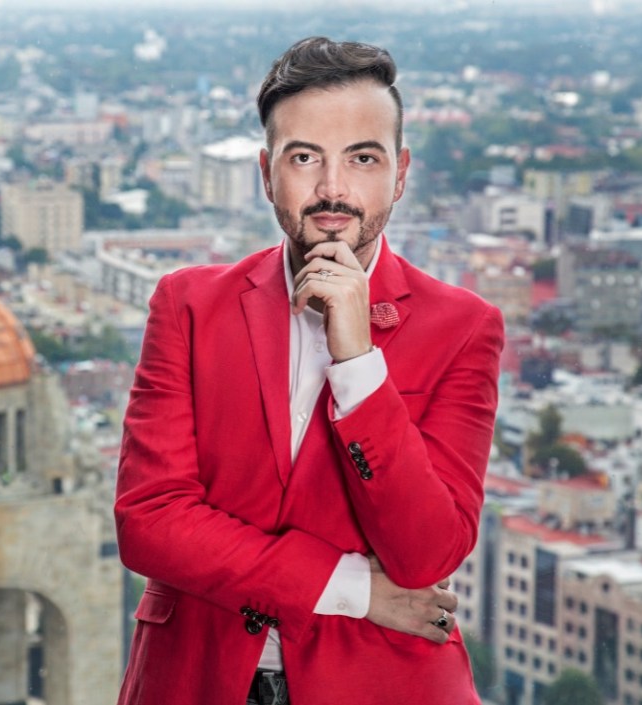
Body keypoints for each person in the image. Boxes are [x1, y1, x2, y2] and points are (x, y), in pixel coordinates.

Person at [114, 36, 504, 705]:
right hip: (195, 677)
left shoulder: (464, 327)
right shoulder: (188, 304)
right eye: (304, 157)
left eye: (362, 158)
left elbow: (427, 553)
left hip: (381, 685)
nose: (332, 188)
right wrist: (353, 589)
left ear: (400, 173)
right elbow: (149, 522)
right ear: (267, 173)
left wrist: (358, 364)